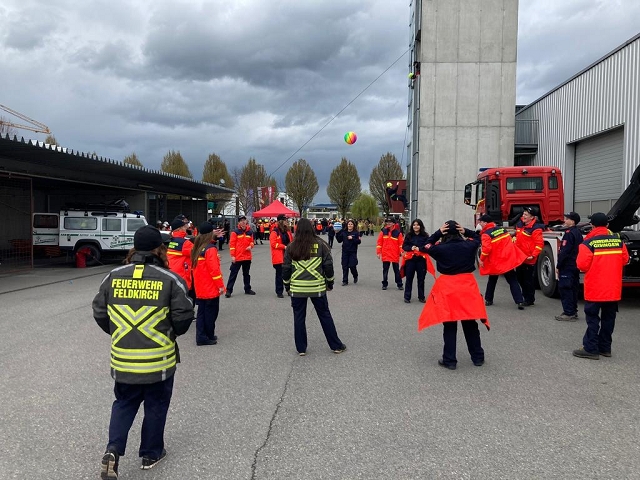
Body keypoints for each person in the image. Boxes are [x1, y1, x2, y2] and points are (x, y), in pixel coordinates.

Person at [92, 225, 194, 480]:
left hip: (123, 359)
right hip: (158, 360)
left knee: (124, 403)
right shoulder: (171, 279)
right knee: (156, 405)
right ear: (160, 249)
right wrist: (169, 333)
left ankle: (113, 449)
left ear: (134, 248)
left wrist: (120, 334)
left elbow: (100, 312)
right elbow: (184, 316)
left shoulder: (112, 276)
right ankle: (151, 453)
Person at [418, 220, 489, 370]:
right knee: (470, 323)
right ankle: (478, 357)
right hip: (467, 287)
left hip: (448, 288)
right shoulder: (469, 245)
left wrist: (438, 233)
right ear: (459, 231)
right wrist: (466, 231)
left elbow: (425, 245)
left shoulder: (440, 248)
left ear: (444, 233)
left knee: (449, 324)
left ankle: (449, 360)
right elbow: (479, 238)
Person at [282, 218, 346, 356]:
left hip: (297, 288)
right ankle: (336, 345)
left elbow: (286, 268)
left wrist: (287, 285)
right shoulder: (321, 245)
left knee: (299, 317)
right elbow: (328, 266)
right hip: (317, 287)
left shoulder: (291, 246)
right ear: (312, 228)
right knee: (324, 315)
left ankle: (301, 348)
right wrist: (330, 282)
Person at [572, 213, 629, 359]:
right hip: (612, 289)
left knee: (593, 319)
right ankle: (605, 348)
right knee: (609, 319)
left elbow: (581, 265)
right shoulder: (618, 242)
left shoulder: (588, 243)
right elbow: (625, 260)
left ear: (592, 225)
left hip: (595, 289)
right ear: (607, 225)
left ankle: (591, 349)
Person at [477, 214, 527, 310]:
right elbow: (509, 242)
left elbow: (486, 249)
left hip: (496, 262)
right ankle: (520, 301)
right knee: (513, 281)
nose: (480, 224)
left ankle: (488, 299)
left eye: (481, 222)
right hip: (507, 259)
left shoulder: (486, 234)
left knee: (492, 280)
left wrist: (481, 259)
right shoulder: (502, 230)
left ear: (485, 223)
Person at [191, 222, 226, 345]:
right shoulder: (210, 249)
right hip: (210, 287)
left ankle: (203, 335)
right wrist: (220, 286)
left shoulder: (198, 247)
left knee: (202, 312)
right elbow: (214, 270)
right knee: (211, 313)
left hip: (201, 285)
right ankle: (207, 335)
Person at [554, 212, 584, 321]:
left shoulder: (569, 234)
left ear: (573, 221)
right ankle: (573, 311)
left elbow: (564, 252)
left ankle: (569, 313)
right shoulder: (578, 233)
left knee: (565, 288)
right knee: (573, 288)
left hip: (567, 265)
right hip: (575, 264)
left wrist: (558, 265)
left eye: (567, 219)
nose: (565, 220)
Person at [514, 206, 544, 306]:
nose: (524, 216)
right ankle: (525, 296)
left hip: (528, 259)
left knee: (528, 281)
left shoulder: (536, 229)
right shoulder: (520, 224)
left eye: (526, 215)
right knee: (520, 278)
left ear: (532, 217)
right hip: (519, 257)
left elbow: (539, 244)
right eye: (523, 214)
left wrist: (533, 255)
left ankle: (529, 299)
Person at [225, 215, 256, 297]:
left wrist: (251, 246)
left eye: (244, 220)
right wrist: (233, 256)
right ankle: (228, 290)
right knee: (233, 274)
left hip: (247, 257)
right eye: (241, 221)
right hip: (237, 257)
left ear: (246, 221)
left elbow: (252, 242)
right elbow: (232, 245)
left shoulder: (250, 232)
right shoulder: (235, 232)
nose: (243, 222)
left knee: (246, 274)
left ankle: (247, 289)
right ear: (238, 222)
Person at [401, 218, 430, 303]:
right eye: (414, 225)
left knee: (421, 279)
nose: (416, 226)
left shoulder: (425, 236)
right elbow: (404, 246)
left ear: (421, 226)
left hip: (421, 260)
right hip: (410, 260)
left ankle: (421, 297)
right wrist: (411, 248)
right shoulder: (409, 235)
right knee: (409, 278)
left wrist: (420, 249)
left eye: (417, 225)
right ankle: (407, 297)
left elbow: (428, 247)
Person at [167, 218, 195, 302]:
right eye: (184, 226)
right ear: (180, 228)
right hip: (182, 276)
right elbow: (197, 254)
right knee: (186, 302)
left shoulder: (169, 240)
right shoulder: (185, 243)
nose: (186, 227)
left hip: (170, 273)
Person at [376, 217, 404, 290]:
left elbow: (401, 244)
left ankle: (399, 284)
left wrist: (401, 251)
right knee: (385, 270)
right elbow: (379, 243)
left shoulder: (398, 233)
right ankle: (384, 284)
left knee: (396, 270)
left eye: (390, 222)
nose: (388, 223)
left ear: (394, 223)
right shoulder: (383, 232)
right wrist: (378, 252)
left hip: (394, 254)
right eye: (387, 222)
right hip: (386, 254)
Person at [270, 214, 293, 298]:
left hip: (288, 256)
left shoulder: (288, 231)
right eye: (285, 220)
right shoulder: (274, 232)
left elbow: (291, 241)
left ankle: (289, 289)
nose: (287, 221)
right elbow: (273, 244)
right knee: (279, 275)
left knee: (289, 274)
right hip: (279, 256)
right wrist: (284, 247)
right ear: (281, 221)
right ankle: (279, 291)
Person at [335, 218, 361, 286]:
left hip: (352, 252)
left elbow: (359, 241)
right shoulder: (344, 232)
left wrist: (352, 238)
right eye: (349, 224)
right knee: (345, 266)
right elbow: (339, 240)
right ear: (347, 225)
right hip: (345, 252)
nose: (350, 225)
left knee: (352, 266)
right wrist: (337, 233)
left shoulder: (356, 233)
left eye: (351, 224)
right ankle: (345, 281)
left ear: (353, 225)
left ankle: (355, 275)